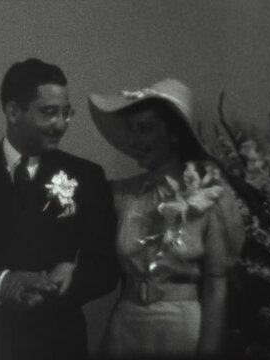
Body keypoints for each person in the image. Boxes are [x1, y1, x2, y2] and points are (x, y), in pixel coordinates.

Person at [0, 58, 119, 360]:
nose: (61, 124)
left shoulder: (87, 176)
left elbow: (106, 268)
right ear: (13, 111)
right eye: (49, 112)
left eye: (67, 113)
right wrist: (1, 283)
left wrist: (67, 280)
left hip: (57, 344)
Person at [88, 79, 245, 359]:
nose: (134, 140)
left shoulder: (209, 196)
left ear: (173, 134)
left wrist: (209, 350)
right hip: (127, 325)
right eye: (131, 129)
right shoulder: (121, 195)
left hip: (180, 327)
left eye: (145, 128)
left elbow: (216, 283)